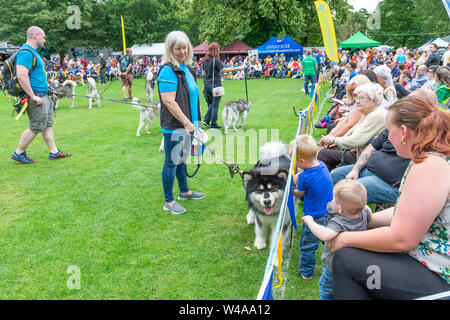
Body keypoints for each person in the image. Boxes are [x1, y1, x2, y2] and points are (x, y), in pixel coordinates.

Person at [329, 92, 450, 300]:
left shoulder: (430, 166)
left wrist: (345, 238)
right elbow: (409, 213)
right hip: (430, 262)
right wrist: (368, 219)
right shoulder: (430, 157)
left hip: (440, 274)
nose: (387, 136)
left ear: (403, 132)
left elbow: (402, 238)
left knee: (345, 259)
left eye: (388, 130)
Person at [157, 31, 205, 215]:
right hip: (175, 126)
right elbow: (169, 101)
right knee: (171, 161)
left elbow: (192, 97)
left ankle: (184, 191)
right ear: (170, 50)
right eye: (178, 48)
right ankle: (168, 201)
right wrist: (186, 122)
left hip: (190, 124)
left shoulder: (187, 68)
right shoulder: (168, 70)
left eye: (185, 47)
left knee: (182, 159)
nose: (182, 52)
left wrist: (195, 123)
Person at [301, 179, 372, 300]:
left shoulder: (338, 222)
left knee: (326, 293)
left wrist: (310, 221)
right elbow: (369, 212)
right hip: (353, 266)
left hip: (333, 270)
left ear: (340, 209)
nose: (331, 201)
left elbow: (324, 235)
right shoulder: (364, 211)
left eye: (333, 200)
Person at [11, 26, 71, 164]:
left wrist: (49, 90)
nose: (44, 40)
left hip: (44, 95)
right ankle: (19, 152)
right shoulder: (26, 52)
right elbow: (21, 75)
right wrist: (33, 96)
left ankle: (54, 152)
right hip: (36, 97)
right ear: (35, 36)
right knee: (35, 127)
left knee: (47, 125)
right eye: (43, 37)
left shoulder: (33, 52)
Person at [290, 134, 333, 281]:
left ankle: (306, 272)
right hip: (330, 212)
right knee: (327, 240)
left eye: (294, 162)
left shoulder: (304, 177)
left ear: (301, 161)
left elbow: (299, 192)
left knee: (307, 246)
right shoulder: (322, 164)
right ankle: (335, 261)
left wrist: (289, 191)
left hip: (314, 217)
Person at [319, 82, 387, 171]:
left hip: (365, 159)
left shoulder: (377, 115)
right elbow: (352, 131)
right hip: (358, 151)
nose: (357, 101)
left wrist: (334, 140)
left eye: (361, 98)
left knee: (324, 154)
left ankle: (323, 181)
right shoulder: (368, 112)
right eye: (357, 98)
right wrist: (333, 141)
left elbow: (356, 140)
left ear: (373, 100)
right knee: (329, 149)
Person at [330, 128, 410, 205]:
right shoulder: (393, 127)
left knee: (349, 191)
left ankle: (333, 216)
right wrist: (356, 169)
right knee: (334, 176)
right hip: (368, 169)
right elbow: (373, 146)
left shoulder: (417, 138)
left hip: (389, 184)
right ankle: (323, 211)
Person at [201, 42, 243, 129]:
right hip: (215, 85)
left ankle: (209, 122)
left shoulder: (205, 60)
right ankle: (210, 122)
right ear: (215, 50)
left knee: (211, 104)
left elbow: (203, 73)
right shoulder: (216, 60)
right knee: (215, 104)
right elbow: (224, 70)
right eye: (219, 49)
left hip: (206, 85)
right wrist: (237, 68)